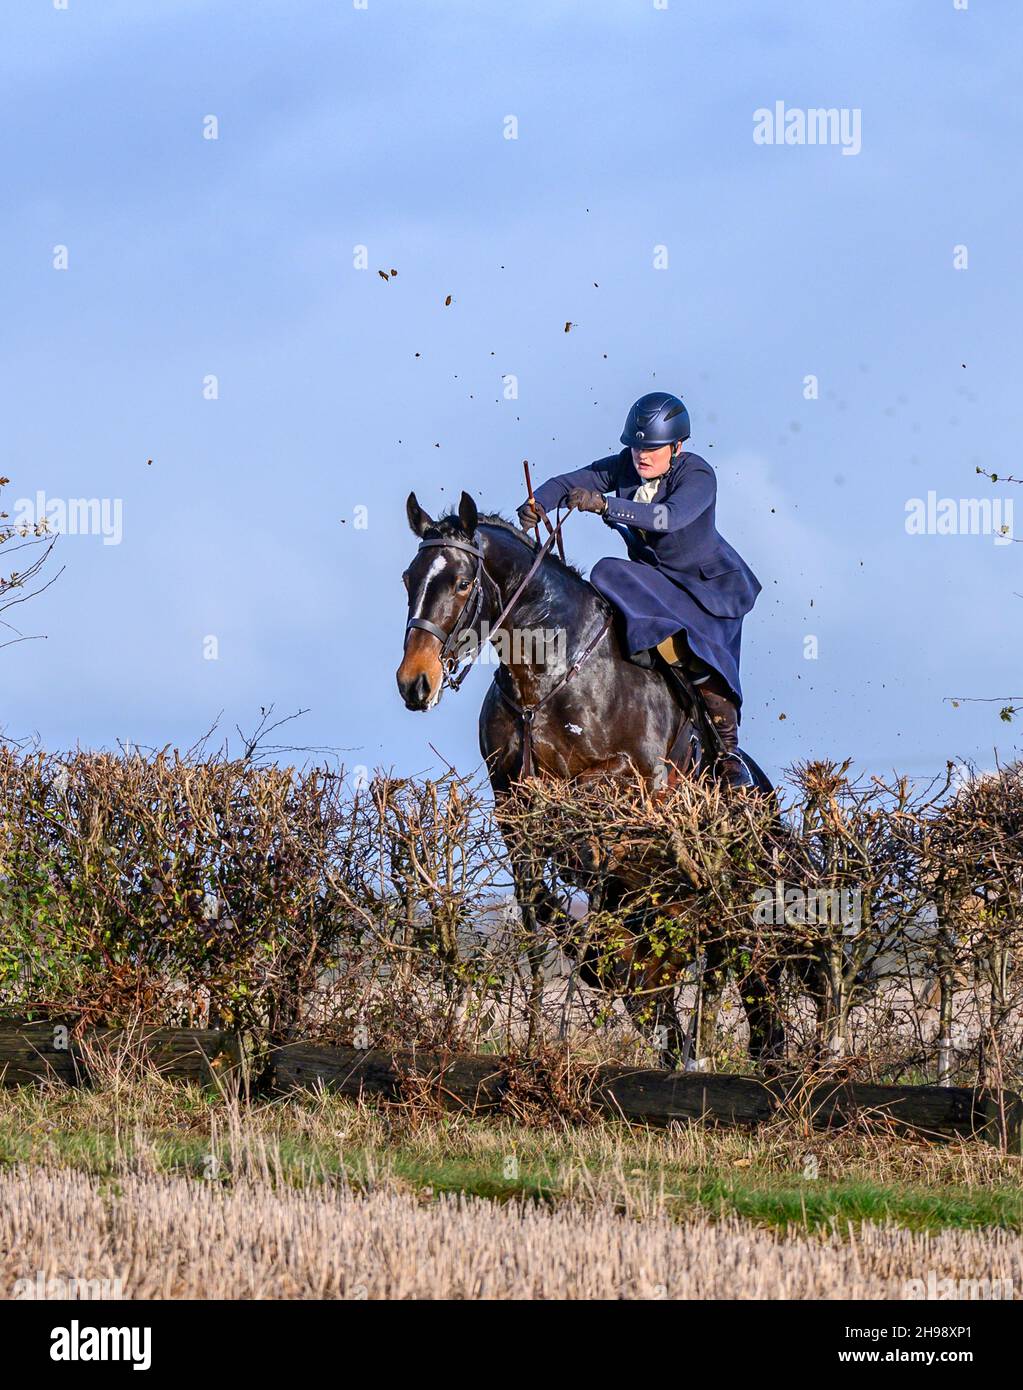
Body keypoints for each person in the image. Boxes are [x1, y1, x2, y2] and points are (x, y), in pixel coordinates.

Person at [518, 391, 761, 790]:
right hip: (658, 584)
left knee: (612, 572)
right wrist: (538, 502)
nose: (641, 456)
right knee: (609, 572)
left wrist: (605, 505)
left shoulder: (699, 475)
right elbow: (567, 482)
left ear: (677, 447)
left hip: (707, 591)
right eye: (635, 447)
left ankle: (729, 756)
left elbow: (667, 518)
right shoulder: (626, 468)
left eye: (652, 448)